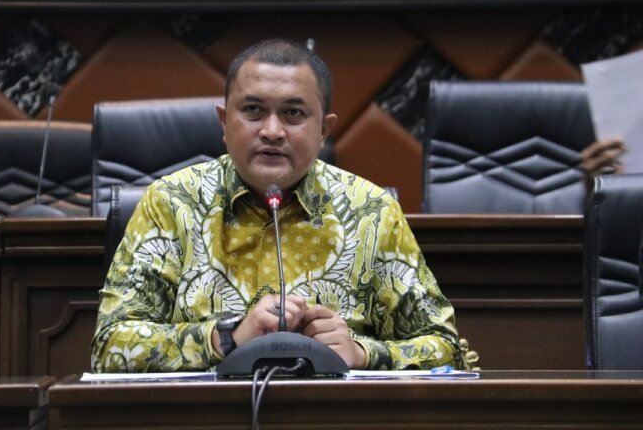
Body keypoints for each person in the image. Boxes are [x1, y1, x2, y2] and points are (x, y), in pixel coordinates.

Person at [91, 38, 461, 372]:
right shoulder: (171, 204)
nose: (272, 131)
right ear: (224, 121)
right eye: (253, 110)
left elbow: (447, 349)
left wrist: (362, 353)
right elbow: (109, 346)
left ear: (324, 130)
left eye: (293, 113)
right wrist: (225, 337)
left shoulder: (373, 212)